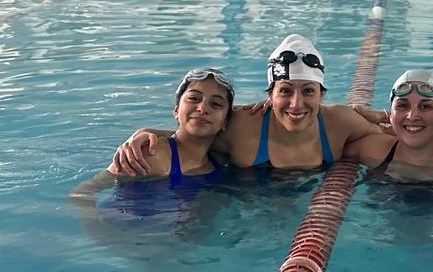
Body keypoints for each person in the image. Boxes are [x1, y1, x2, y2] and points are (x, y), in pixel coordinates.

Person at [108, 35, 383, 174]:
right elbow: (193, 134)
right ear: (270, 96)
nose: (296, 103)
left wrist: (381, 113)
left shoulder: (340, 121)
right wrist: (146, 134)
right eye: (285, 90)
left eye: (308, 91)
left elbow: (398, 136)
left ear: (321, 96)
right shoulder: (241, 125)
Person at [72, 67, 233, 201]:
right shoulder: (151, 154)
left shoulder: (219, 159)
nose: (202, 108)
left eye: (216, 104)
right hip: (125, 233)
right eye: (194, 98)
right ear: (176, 110)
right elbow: (82, 192)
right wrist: (97, 229)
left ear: (225, 121)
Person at [352, 69, 433, 187]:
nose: (412, 116)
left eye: (425, 106)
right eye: (402, 106)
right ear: (391, 113)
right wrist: (383, 116)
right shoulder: (369, 149)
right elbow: (334, 122)